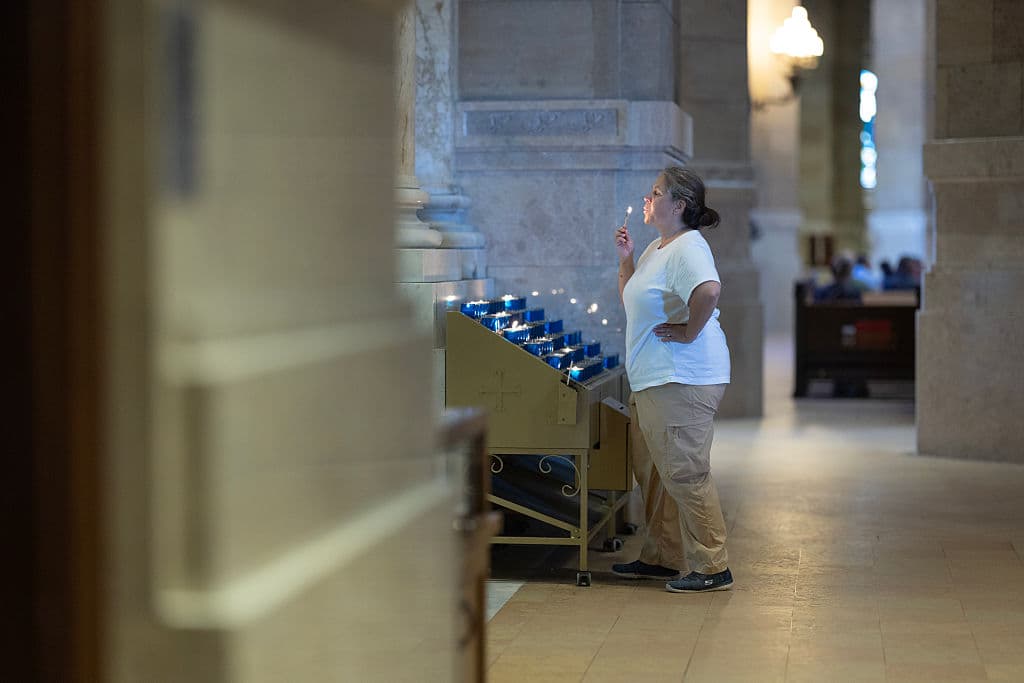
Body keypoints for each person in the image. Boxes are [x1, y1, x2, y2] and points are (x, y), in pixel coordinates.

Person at [611, 166, 733, 593]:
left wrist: (688, 331)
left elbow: (709, 291)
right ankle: (663, 556)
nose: (648, 197)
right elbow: (632, 301)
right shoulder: (656, 248)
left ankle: (713, 565)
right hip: (655, 378)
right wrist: (626, 260)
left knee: (685, 472)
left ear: (678, 205)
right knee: (657, 475)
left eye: (656, 192)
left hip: (682, 377)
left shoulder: (688, 247)